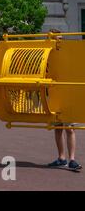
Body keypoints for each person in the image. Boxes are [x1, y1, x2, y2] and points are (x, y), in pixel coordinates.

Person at [47, 29, 82, 171]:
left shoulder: (68, 52)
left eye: (60, 38)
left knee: (69, 128)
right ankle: (61, 157)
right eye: (56, 38)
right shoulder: (48, 54)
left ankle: (72, 159)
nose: (58, 40)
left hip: (67, 94)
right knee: (57, 128)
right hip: (55, 94)